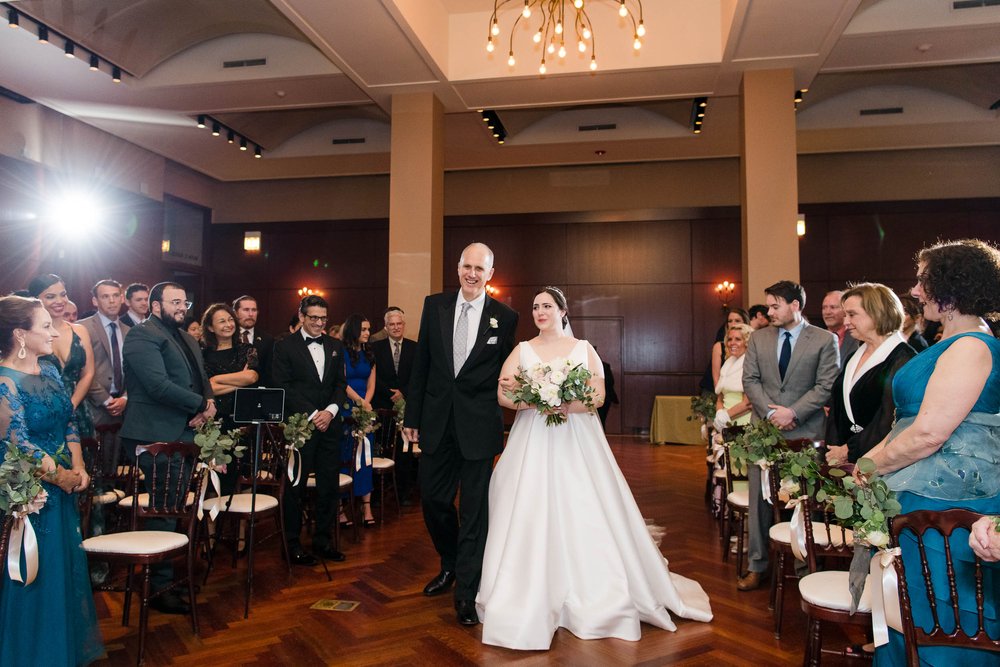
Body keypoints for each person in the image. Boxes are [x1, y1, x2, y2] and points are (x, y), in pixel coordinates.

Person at [476, 287, 712, 649]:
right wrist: (534, 401)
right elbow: (503, 394)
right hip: (532, 439)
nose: (540, 312)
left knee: (583, 506)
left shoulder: (583, 349)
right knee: (528, 507)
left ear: (562, 311)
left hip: (576, 440)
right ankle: (527, 590)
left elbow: (597, 396)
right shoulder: (522, 350)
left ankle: (596, 592)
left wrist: (564, 405)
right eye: (536, 307)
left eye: (547, 306)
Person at [865, 240, 1000, 666]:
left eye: (924, 280)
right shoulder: (951, 342)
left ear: (951, 287)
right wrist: (865, 465)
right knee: (910, 612)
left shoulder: (972, 347)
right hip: (917, 497)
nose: (916, 291)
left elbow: (927, 434)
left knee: (942, 617)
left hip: (945, 509)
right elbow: (906, 423)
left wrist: (869, 468)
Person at [403, 242, 518, 626]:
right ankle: (450, 562)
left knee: (474, 513)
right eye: (466, 266)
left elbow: (509, 371)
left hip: (478, 428)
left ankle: (467, 593)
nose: (471, 274)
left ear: (490, 274)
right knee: (433, 501)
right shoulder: (433, 305)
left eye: (479, 269)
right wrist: (412, 417)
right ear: (457, 268)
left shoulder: (505, 317)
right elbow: (421, 366)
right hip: (436, 423)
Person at [0, 295, 105, 665]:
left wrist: (79, 468)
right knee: (31, 571)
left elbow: (69, 420)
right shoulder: (4, 382)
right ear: (20, 334)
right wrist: (61, 477)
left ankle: (59, 651)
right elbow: (20, 444)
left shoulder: (50, 370)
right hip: (29, 493)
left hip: (62, 487)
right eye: (45, 326)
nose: (53, 332)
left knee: (60, 569)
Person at [120, 281, 216, 615]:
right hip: (154, 435)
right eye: (175, 302)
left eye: (185, 302)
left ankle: (170, 577)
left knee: (175, 508)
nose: (182, 307)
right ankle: (157, 586)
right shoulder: (142, 335)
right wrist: (200, 404)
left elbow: (202, 379)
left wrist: (208, 404)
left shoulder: (187, 336)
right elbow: (157, 386)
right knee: (162, 510)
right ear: (155, 305)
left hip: (184, 435)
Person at [740, 280, 839, 591]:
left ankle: (804, 565)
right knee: (759, 499)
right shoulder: (758, 338)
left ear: (795, 305)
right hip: (764, 431)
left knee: (802, 499)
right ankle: (758, 565)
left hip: (806, 431)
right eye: (768, 306)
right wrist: (771, 414)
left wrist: (792, 412)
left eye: (775, 305)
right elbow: (750, 379)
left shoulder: (824, 340)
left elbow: (825, 386)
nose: (769, 311)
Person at [271, 295, 348, 564]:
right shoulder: (285, 347)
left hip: (330, 426)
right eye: (313, 317)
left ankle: (323, 540)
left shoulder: (336, 345)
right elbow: (284, 386)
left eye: (323, 318)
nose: (318, 323)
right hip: (301, 428)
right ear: (301, 316)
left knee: (328, 486)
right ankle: (291, 544)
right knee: (296, 486)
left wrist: (331, 412)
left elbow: (340, 385)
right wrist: (314, 414)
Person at [824, 284, 916, 465]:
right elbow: (837, 408)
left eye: (852, 315)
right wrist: (835, 448)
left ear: (877, 313)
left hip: (879, 463)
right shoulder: (854, 356)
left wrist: (848, 450)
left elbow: (890, 419)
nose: (846, 322)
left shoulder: (903, 359)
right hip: (843, 464)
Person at [28, 274, 96, 438]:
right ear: (36, 300)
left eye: (63, 294)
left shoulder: (80, 331)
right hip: (41, 411)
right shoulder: (27, 334)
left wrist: (70, 406)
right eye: (50, 296)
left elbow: (88, 373)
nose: (60, 301)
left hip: (78, 410)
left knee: (82, 461)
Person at [201, 303, 259, 493]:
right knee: (214, 480)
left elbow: (251, 377)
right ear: (210, 327)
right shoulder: (203, 354)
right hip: (213, 423)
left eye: (230, 319)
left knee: (242, 479)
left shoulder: (246, 349)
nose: (228, 324)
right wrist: (237, 382)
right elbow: (205, 389)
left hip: (242, 421)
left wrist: (216, 379)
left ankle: (241, 522)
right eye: (222, 321)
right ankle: (213, 522)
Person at [371, 307, 417, 503]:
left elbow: (418, 375)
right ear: (386, 327)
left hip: (407, 407)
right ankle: (378, 493)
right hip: (382, 406)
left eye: (399, 324)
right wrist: (390, 394)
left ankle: (405, 492)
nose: (396, 327)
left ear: (404, 325)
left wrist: (403, 393)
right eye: (392, 324)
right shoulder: (375, 348)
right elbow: (372, 377)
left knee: (404, 451)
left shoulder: (415, 347)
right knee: (380, 448)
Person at [339, 313, 376, 527]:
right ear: (353, 330)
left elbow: (371, 383)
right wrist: (359, 402)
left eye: (369, 329)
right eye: (363, 329)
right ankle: (341, 509)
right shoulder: (342, 353)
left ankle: (366, 507)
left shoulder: (369, 353)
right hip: (346, 408)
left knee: (365, 458)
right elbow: (342, 383)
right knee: (345, 457)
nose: (367, 333)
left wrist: (366, 405)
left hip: (364, 409)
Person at [78, 279, 129, 428]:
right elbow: (81, 368)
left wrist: (125, 398)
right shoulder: (82, 328)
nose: (112, 301)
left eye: (115, 295)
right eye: (105, 296)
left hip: (124, 409)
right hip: (93, 407)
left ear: (122, 298)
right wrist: (106, 400)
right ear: (95, 301)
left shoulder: (130, 331)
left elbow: (135, 369)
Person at [712, 323, 754, 432]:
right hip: (725, 421)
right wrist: (719, 414)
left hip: (744, 421)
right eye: (730, 339)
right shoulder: (728, 363)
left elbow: (749, 403)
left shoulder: (751, 364)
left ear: (747, 342)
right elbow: (720, 396)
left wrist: (725, 416)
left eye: (738, 339)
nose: (732, 343)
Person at [233, 295, 273, 387]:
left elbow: (269, 372)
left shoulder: (267, 339)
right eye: (246, 310)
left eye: (254, 310)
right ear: (235, 313)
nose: (251, 314)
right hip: (230, 392)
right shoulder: (228, 337)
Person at [711, 308, 750, 389]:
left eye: (737, 320)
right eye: (730, 321)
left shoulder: (753, 345)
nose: (733, 324)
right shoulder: (719, 346)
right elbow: (716, 380)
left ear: (745, 322)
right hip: (720, 391)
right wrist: (720, 399)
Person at [822, 290, 859, 367]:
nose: (827, 312)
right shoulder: (816, 339)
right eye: (824, 307)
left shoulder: (858, 338)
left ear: (845, 310)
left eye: (833, 307)